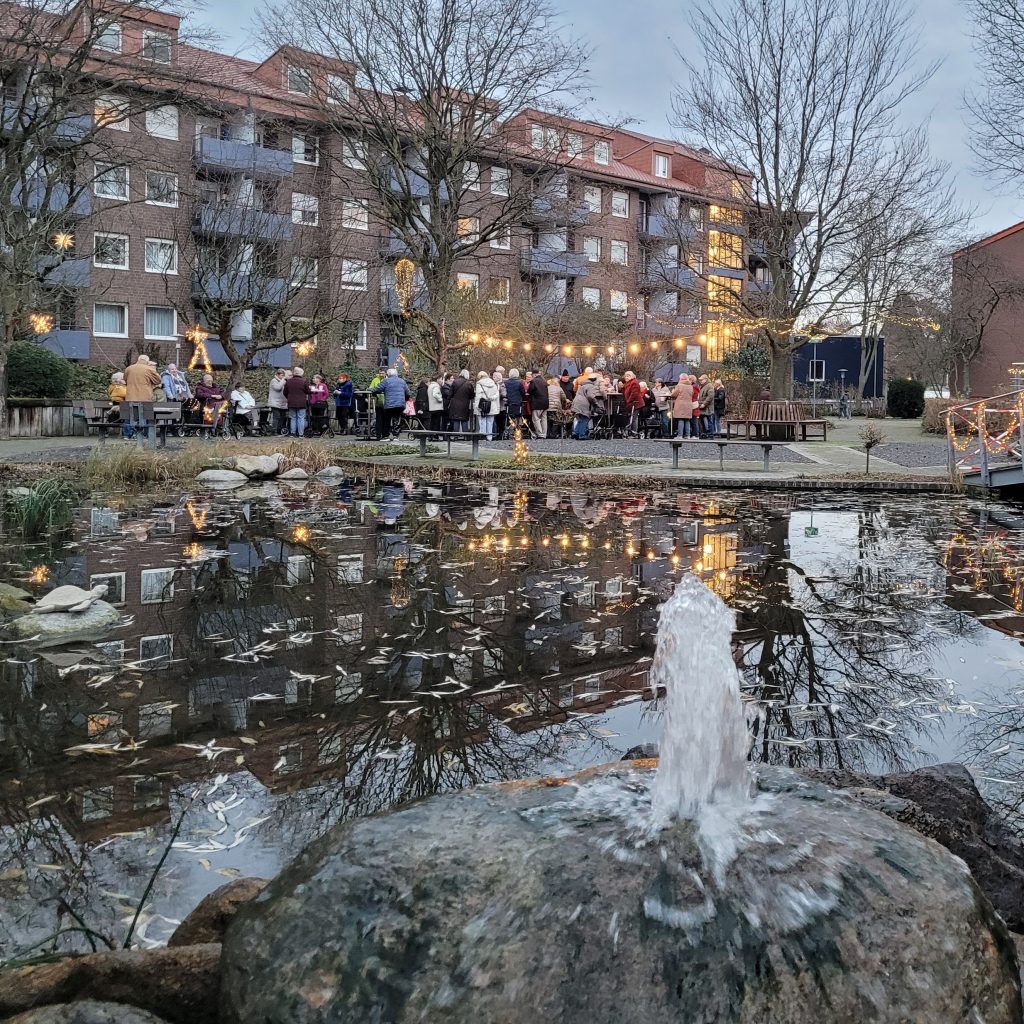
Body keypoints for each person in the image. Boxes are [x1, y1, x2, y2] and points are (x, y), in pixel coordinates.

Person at [124, 354, 161, 443]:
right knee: (144, 415)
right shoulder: (149, 369)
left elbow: (125, 379)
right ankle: (143, 434)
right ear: (147, 361)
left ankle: (128, 435)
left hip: (130, 396)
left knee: (130, 416)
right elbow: (158, 380)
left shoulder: (129, 368)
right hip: (145, 397)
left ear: (138, 359)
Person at [372, 366, 411, 439]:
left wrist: (371, 390)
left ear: (388, 374)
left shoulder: (386, 381)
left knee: (387, 420)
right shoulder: (402, 381)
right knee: (397, 420)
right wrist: (404, 400)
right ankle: (396, 436)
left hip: (389, 404)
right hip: (400, 405)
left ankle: (386, 436)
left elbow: (377, 389)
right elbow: (408, 393)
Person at [571, 373, 603, 440]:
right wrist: (596, 403)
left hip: (576, 402)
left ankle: (576, 433)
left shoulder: (583, 385)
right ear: (595, 380)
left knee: (580, 419)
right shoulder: (590, 386)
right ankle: (582, 435)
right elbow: (590, 396)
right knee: (585, 418)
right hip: (583, 403)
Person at [474, 370, 500, 440]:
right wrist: (491, 398)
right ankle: (489, 437)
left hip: (482, 405)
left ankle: (482, 436)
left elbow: (478, 396)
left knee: (482, 421)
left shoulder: (479, 384)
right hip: (492, 405)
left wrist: (477, 406)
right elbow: (497, 394)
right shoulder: (493, 383)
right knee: (490, 422)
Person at [284, 366, 309, 437]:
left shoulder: (288, 381)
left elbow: (285, 392)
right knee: (301, 418)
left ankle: (293, 433)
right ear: (301, 373)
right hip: (301, 402)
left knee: (293, 418)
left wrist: (289, 398)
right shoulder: (304, 381)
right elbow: (308, 391)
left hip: (291, 402)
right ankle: (301, 434)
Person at [107, 371, 131, 439]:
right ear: (119, 380)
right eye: (123, 379)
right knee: (128, 416)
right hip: (121, 406)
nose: (125, 380)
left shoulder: (113, 386)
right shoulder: (118, 388)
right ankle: (127, 434)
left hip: (118, 405)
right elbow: (127, 394)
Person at [527, 369, 550, 439]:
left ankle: (540, 434)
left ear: (534, 375)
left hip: (537, 403)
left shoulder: (533, 381)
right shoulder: (544, 381)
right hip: (546, 402)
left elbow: (529, 391)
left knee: (536, 418)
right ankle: (544, 433)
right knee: (544, 419)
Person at [621, 371, 645, 437]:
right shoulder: (628, 383)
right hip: (631, 403)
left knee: (633, 418)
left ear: (632, 376)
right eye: (625, 376)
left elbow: (634, 393)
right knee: (631, 417)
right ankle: (631, 431)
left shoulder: (634, 383)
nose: (626, 377)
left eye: (628, 376)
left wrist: (629, 401)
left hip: (636, 403)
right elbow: (626, 391)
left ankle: (634, 432)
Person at [504, 368, 527, 436]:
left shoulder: (505, 382)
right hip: (518, 403)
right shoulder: (519, 382)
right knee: (518, 416)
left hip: (509, 402)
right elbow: (523, 392)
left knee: (509, 416)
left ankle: (509, 430)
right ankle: (517, 430)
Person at [268, 369, 288, 434]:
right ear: (277, 375)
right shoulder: (274, 381)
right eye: (282, 375)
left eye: (283, 375)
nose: (283, 377)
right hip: (275, 402)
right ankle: (274, 430)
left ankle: (279, 430)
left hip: (282, 403)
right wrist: (282, 381)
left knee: (282, 417)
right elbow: (278, 388)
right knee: (276, 417)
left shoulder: (283, 381)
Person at [492, 367, 508, 438]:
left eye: (494, 377)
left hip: (501, 406)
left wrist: (497, 394)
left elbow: (504, 394)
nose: (493, 378)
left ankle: (501, 434)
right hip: (495, 405)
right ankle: (497, 433)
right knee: (496, 420)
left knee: (501, 421)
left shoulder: (502, 384)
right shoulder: (493, 385)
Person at [689, 374, 701, 438]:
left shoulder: (693, 387)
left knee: (694, 420)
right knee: (694, 420)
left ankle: (695, 434)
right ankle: (695, 434)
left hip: (693, 404)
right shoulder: (696, 386)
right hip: (695, 403)